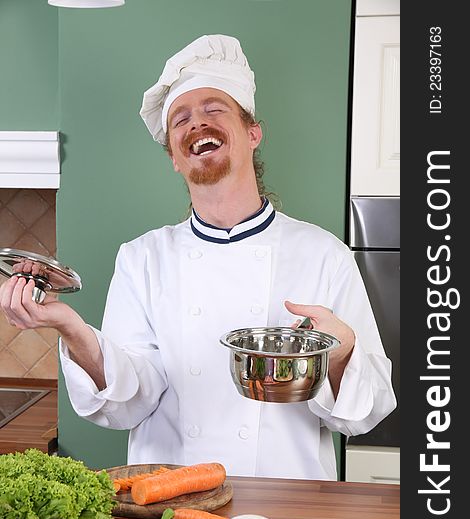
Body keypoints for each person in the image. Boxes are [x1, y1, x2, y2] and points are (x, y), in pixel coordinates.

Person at [0, 34, 396, 480]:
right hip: (171, 507)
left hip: (288, 511)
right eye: (181, 120)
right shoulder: (142, 258)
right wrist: (71, 328)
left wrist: (340, 355)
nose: (196, 125)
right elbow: (127, 402)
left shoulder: (324, 255)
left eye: (214, 109)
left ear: (252, 133)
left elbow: (367, 413)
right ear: (174, 156)